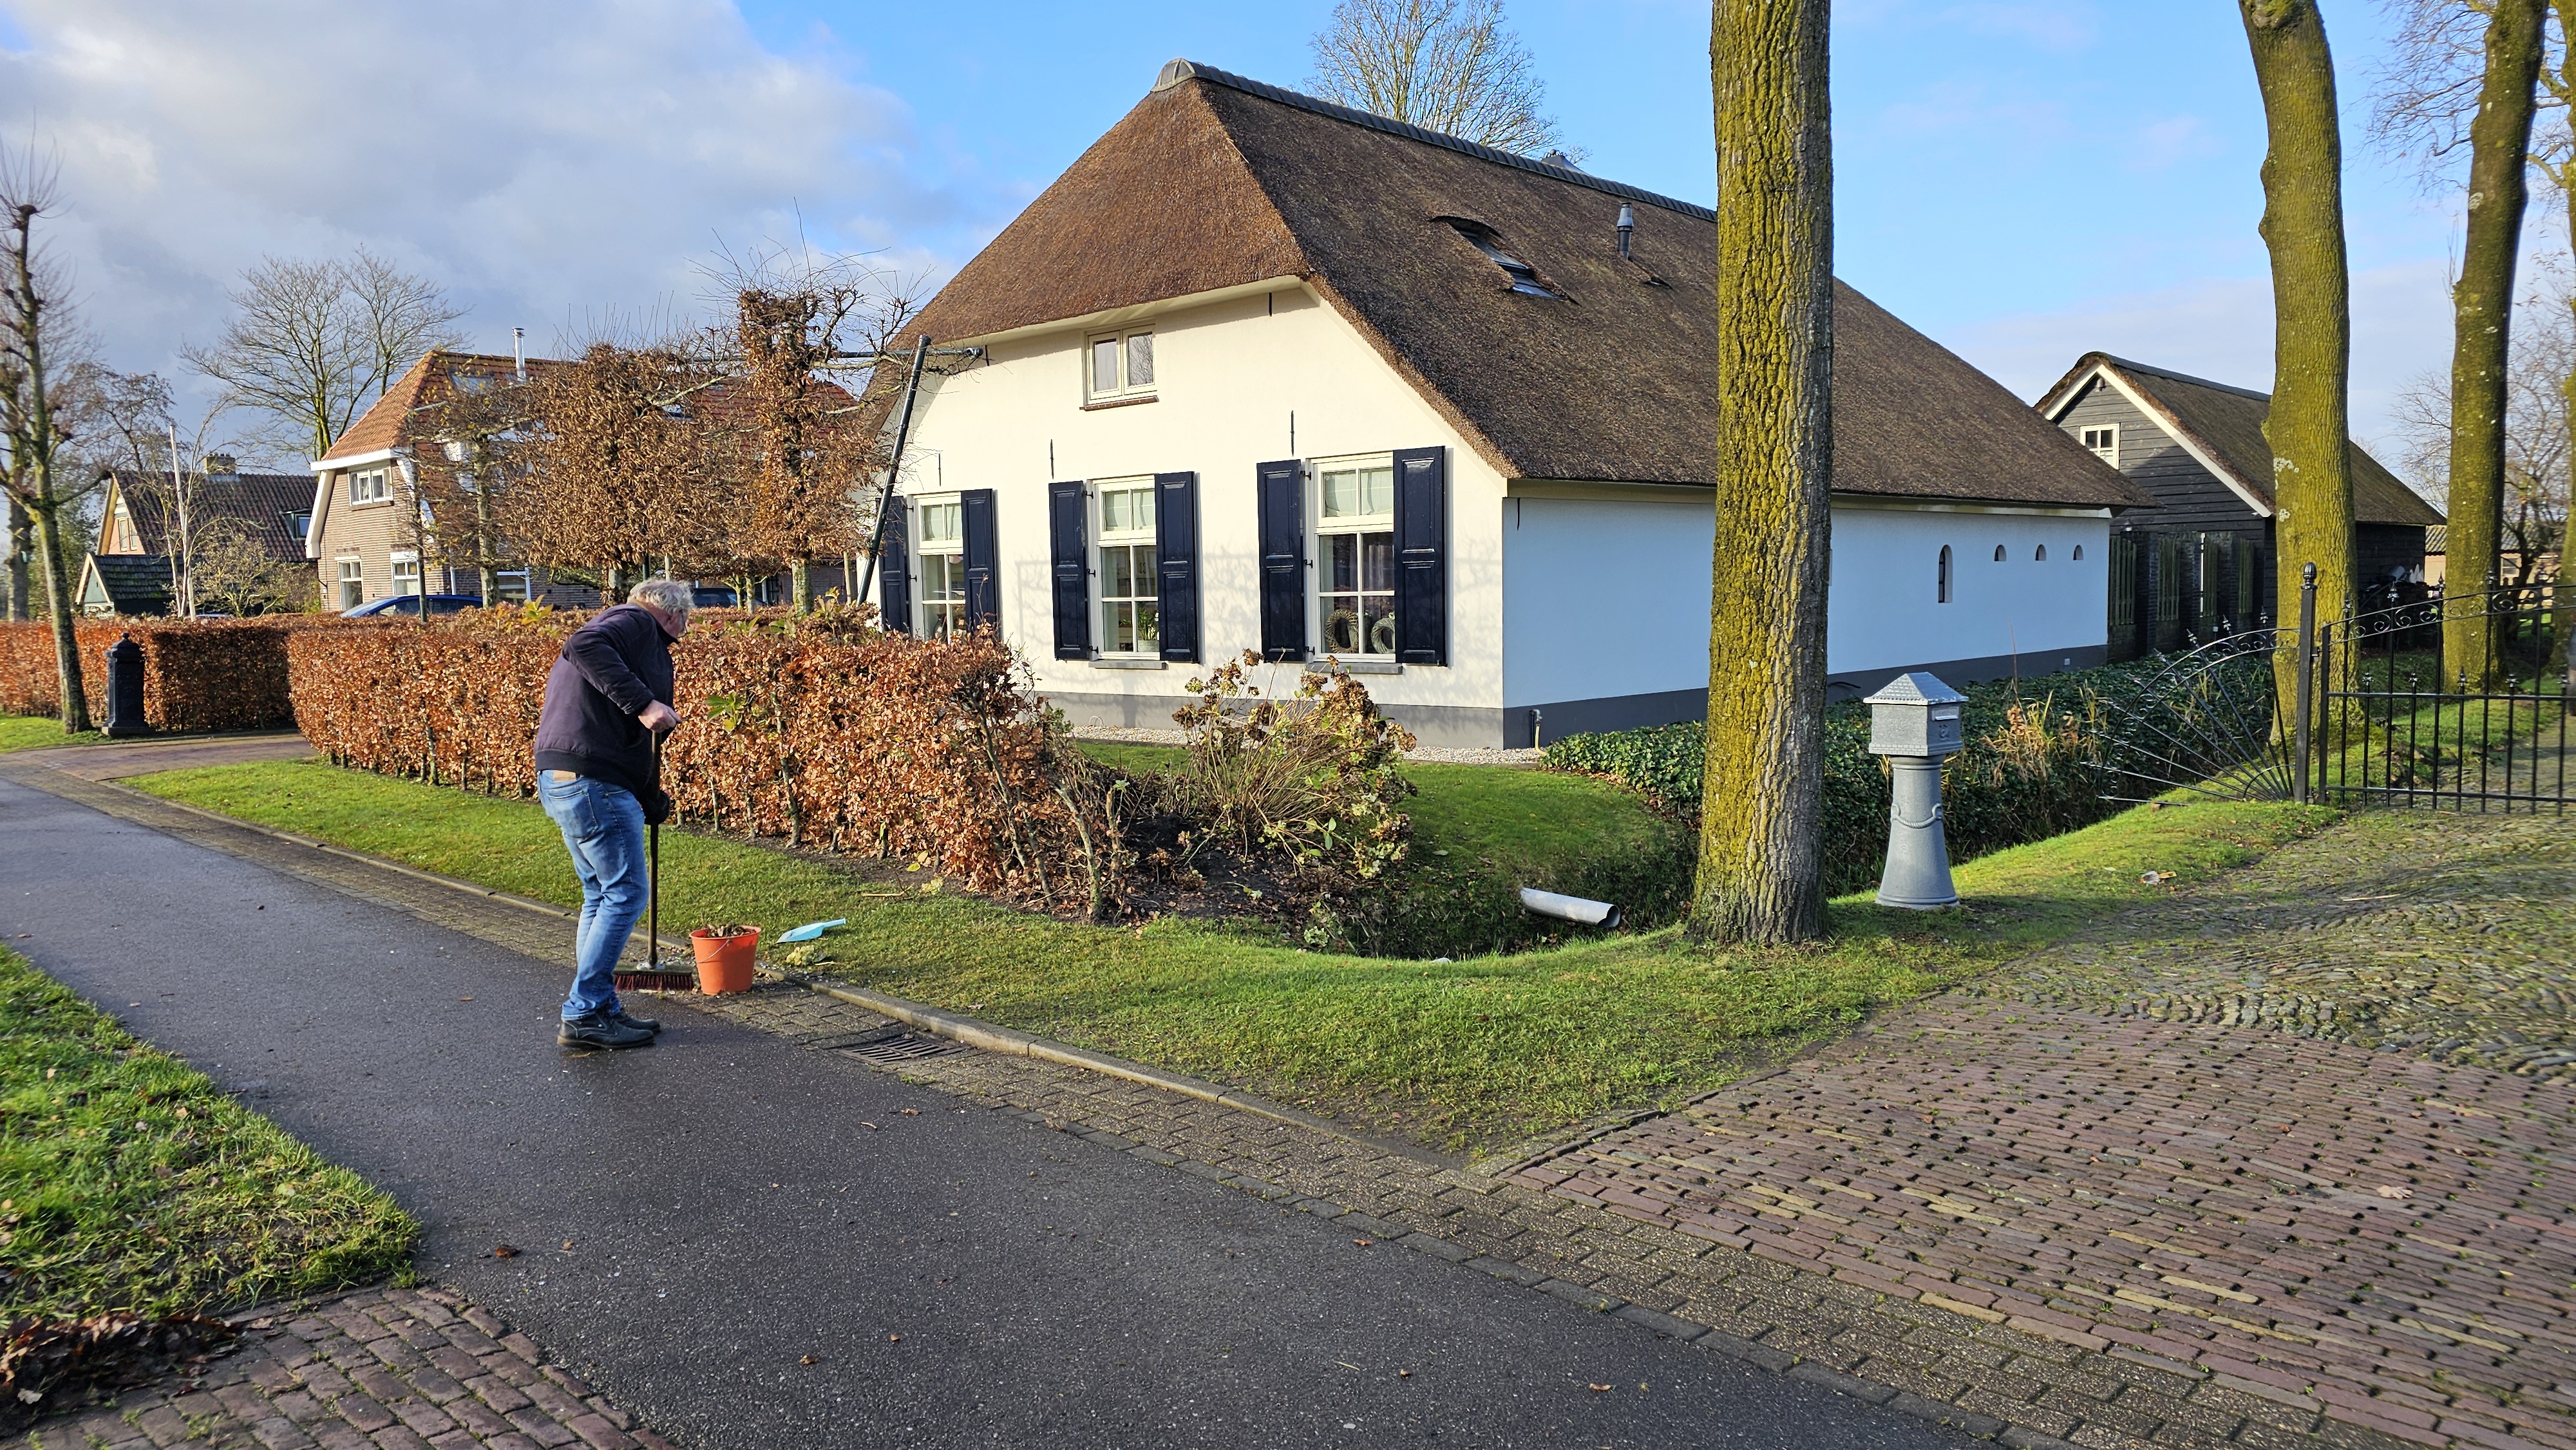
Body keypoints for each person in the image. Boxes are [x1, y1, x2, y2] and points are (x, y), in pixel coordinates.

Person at [531, 577, 696, 1049]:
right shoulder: (634, 622)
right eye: (686, 620)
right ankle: (584, 1010)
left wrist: (649, 796)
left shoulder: (633, 634)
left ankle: (599, 1007)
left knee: (599, 894)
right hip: (591, 781)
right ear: (673, 613)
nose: (685, 629)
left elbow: (629, 737)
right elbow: (582, 645)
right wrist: (645, 703)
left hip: (568, 776)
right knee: (624, 892)